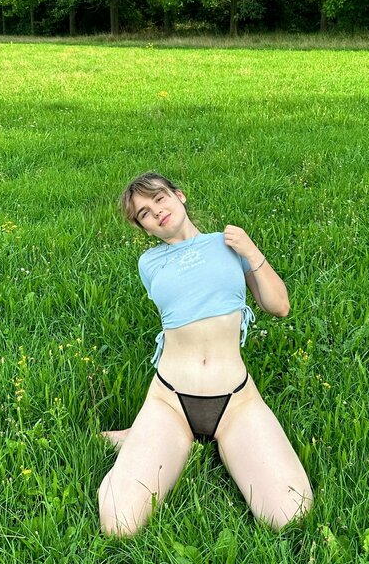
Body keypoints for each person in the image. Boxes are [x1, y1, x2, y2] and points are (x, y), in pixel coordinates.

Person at [98, 171, 314, 537]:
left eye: (159, 198)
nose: (156, 211)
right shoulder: (149, 264)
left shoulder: (228, 244)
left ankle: (137, 436)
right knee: (120, 524)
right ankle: (143, 435)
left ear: (179, 196)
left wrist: (251, 251)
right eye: (145, 213)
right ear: (143, 228)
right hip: (170, 401)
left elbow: (279, 306)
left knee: (290, 513)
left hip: (236, 401)